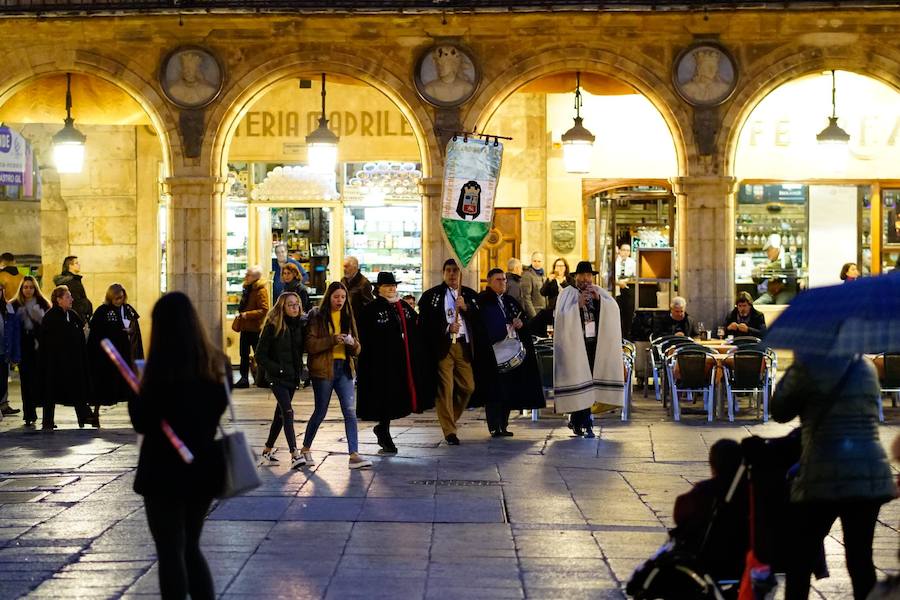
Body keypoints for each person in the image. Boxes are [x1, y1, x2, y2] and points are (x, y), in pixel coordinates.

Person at [772, 352, 896, 600]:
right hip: (869, 471)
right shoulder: (865, 366)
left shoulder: (808, 366)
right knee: (861, 559)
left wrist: (795, 367)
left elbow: (779, 410)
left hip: (823, 470)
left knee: (800, 559)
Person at [128, 292, 228, 600]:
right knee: (191, 546)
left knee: (170, 549)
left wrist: (137, 391)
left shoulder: (157, 372)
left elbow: (143, 421)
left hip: (162, 470)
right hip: (202, 467)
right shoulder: (217, 366)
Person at [418, 258, 493, 445]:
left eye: (455, 270)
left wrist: (466, 308)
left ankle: (450, 420)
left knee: (468, 387)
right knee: (445, 388)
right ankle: (450, 431)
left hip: (463, 346)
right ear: (443, 273)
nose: (452, 274)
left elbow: (480, 318)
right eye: (449, 270)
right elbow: (426, 322)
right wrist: (446, 327)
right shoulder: (432, 296)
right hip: (443, 347)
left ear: (461, 273)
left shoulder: (469, 294)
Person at [357, 272, 433, 453]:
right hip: (381, 362)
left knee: (395, 398)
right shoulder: (372, 309)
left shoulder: (403, 306)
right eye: (387, 286)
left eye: (393, 285)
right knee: (384, 398)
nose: (392, 288)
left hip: (402, 362)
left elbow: (417, 325)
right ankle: (384, 431)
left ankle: (383, 429)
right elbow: (366, 335)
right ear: (379, 288)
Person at [302, 282, 372, 469]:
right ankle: (305, 448)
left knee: (349, 411)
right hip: (323, 369)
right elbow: (310, 345)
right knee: (320, 411)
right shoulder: (317, 315)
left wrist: (352, 343)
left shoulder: (348, 315)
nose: (339, 300)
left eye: (342, 297)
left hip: (345, 369)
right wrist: (332, 340)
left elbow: (358, 349)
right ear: (329, 297)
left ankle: (354, 454)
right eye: (336, 297)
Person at [552, 261, 623, 438]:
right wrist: (577, 305)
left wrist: (599, 301)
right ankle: (584, 422)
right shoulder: (567, 294)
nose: (586, 279)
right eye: (582, 275)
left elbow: (613, 311)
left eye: (589, 275)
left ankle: (581, 421)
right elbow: (560, 318)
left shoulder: (599, 292)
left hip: (594, 345)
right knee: (580, 382)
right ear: (576, 276)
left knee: (590, 384)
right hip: (575, 346)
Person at [477, 268, 545, 437]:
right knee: (494, 392)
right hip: (492, 353)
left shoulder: (510, 301)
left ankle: (503, 424)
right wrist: (501, 330)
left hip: (510, 352)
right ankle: (494, 426)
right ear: (489, 282)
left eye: (504, 280)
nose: (502, 283)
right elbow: (481, 325)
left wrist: (520, 323)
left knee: (508, 391)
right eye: (498, 280)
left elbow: (523, 319)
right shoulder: (483, 301)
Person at [672, 439, 749, 582]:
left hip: (709, 559)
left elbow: (680, 515)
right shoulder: (750, 491)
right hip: (744, 559)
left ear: (713, 464)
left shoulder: (706, 490)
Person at [256, 292, 307, 470]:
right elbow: (260, 355)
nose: (294, 307)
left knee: (281, 414)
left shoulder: (300, 325)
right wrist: (278, 369)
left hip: (292, 377)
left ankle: (267, 450)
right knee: (288, 412)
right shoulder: (273, 325)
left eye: (297, 304)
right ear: (282, 307)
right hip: (277, 377)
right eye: (290, 304)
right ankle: (294, 454)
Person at [87, 284, 144, 428]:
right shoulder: (103, 311)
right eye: (117, 298)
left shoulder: (128, 310)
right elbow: (96, 332)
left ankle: (138, 416)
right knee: (103, 387)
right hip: (107, 355)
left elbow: (135, 329)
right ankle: (95, 415)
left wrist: (130, 330)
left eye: (121, 297)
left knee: (129, 388)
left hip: (125, 353)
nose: (119, 301)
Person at [39, 286, 91, 430]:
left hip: (72, 361)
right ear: (59, 300)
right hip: (55, 362)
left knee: (78, 388)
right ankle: (47, 421)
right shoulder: (50, 317)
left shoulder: (71, 314)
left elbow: (79, 330)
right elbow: (50, 341)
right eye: (68, 297)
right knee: (51, 391)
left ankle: (84, 416)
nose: (71, 299)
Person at [11, 276, 49, 427]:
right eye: (25, 287)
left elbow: (47, 326)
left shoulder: (43, 303)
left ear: (35, 288)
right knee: (26, 380)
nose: (28, 290)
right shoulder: (14, 305)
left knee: (39, 379)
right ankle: (29, 413)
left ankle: (45, 414)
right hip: (23, 344)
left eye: (31, 287)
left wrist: (39, 318)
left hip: (38, 344)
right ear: (21, 288)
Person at [232, 266, 269, 388]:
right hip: (245, 327)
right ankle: (244, 379)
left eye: (248, 275)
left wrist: (247, 314)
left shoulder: (260, 290)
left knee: (259, 354)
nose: (245, 277)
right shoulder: (248, 289)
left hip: (255, 328)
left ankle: (263, 378)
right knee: (243, 354)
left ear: (255, 277)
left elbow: (264, 309)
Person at [754, 234, 797, 305]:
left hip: (786, 292)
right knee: (756, 305)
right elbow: (759, 280)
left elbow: (777, 265)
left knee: (779, 306)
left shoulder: (786, 258)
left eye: (769, 250)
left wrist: (763, 268)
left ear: (776, 249)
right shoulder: (770, 261)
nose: (767, 253)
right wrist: (756, 274)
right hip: (772, 293)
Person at [0, 285, 21, 419]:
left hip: (4, 351)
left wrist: (15, 353)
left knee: (2, 381)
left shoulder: (7, 307)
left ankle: (3, 405)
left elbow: (14, 330)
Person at [54, 256, 93, 322]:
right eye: (76, 263)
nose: (79, 265)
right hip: (76, 317)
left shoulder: (72, 280)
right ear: (70, 266)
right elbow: (76, 301)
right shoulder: (72, 282)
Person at [613, 244, 636, 339]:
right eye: (623, 250)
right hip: (617, 289)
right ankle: (618, 335)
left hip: (628, 288)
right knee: (619, 312)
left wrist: (625, 281)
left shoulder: (632, 262)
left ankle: (627, 335)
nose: (625, 252)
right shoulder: (615, 261)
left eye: (627, 250)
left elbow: (635, 275)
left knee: (628, 313)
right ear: (620, 251)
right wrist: (618, 282)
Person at [520, 252, 546, 320]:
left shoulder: (543, 274)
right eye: (534, 261)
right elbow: (526, 297)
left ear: (542, 262)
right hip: (534, 312)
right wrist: (534, 316)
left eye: (539, 261)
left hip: (543, 312)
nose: (537, 263)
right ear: (531, 261)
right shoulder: (527, 275)